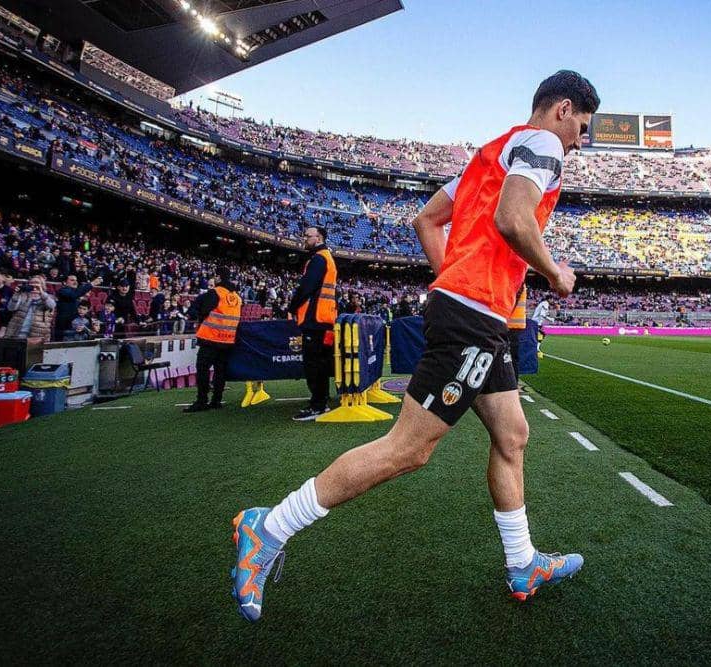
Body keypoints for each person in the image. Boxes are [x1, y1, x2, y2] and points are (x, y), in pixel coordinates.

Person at [229, 70, 598, 621]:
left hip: (477, 313)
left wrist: (455, 280)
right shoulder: (544, 144)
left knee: (513, 434)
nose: (580, 142)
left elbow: (427, 220)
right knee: (409, 448)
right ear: (563, 109)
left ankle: (523, 561)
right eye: (583, 128)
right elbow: (514, 219)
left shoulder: (491, 153)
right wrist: (554, 273)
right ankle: (269, 526)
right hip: (474, 316)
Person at [288, 225, 337, 421]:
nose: (304, 239)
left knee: (314, 364)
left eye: (308, 236)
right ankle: (320, 402)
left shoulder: (319, 259)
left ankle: (318, 405)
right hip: (323, 319)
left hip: (315, 319)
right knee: (320, 363)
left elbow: (306, 287)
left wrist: (292, 307)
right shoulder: (326, 258)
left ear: (319, 238)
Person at [184, 269, 241, 412]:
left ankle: (202, 401)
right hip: (227, 341)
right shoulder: (237, 298)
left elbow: (202, 311)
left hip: (210, 339)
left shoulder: (215, 293)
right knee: (220, 371)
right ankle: (216, 401)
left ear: (219, 277)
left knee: (202, 369)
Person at [2, 274, 56, 341]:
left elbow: (51, 305)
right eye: (31, 283)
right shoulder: (23, 295)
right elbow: (11, 308)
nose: (34, 285)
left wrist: (41, 292)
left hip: (37, 335)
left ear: (42, 285)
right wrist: (16, 294)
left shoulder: (48, 297)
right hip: (18, 332)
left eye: (37, 283)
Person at [55, 274, 102, 340]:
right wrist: (91, 284)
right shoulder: (63, 291)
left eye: (76, 280)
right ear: (64, 283)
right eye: (72, 280)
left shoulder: (75, 295)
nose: (75, 282)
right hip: (63, 328)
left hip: (73, 329)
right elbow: (74, 294)